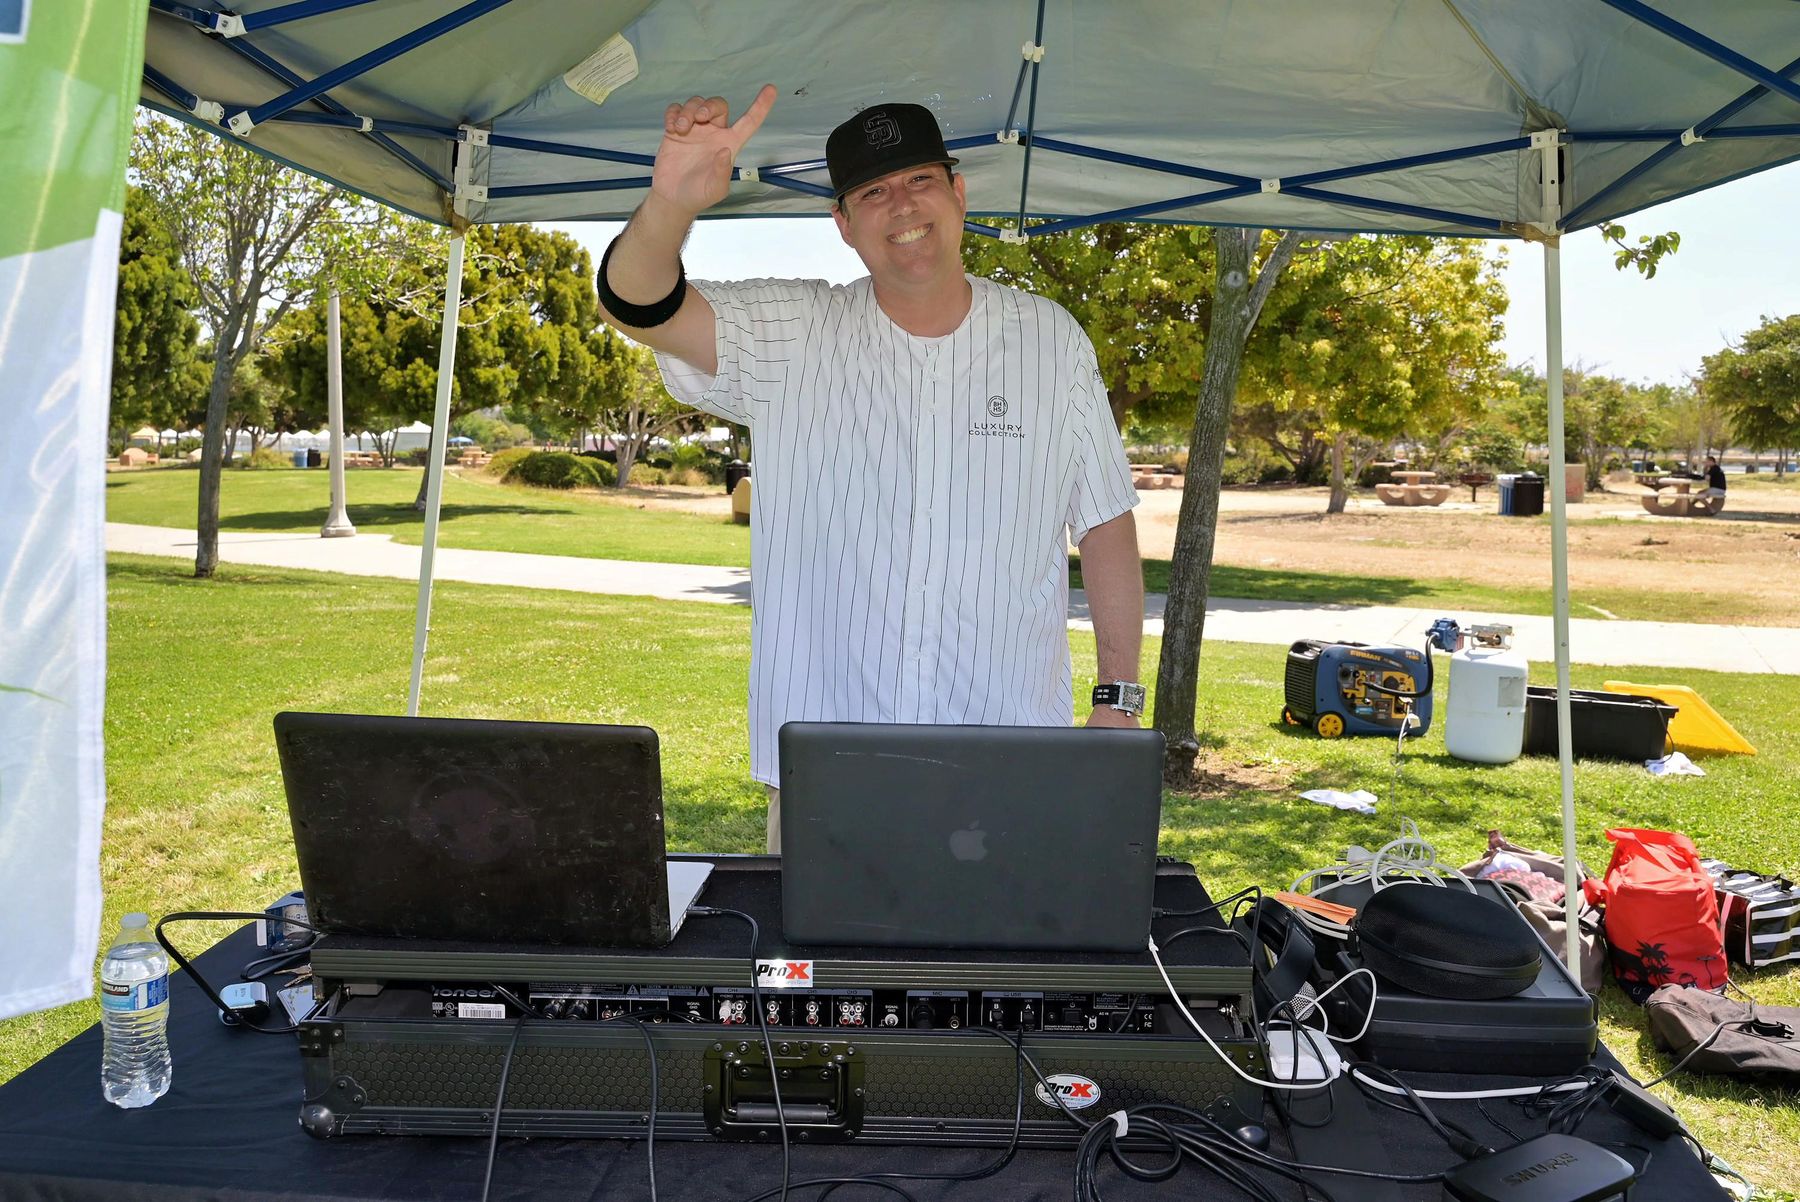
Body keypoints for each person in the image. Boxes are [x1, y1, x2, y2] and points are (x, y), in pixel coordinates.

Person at [595, 87, 1145, 851]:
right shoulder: (792, 333)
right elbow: (635, 304)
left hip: (1010, 764)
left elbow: (1106, 519)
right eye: (873, 192)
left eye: (920, 179)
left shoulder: (1050, 341)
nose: (903, 205)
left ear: (958, 193)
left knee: (1010, 936)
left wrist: (1119, 698)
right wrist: (671, 204)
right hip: (829, 775)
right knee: (816, 938)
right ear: (844, 224)